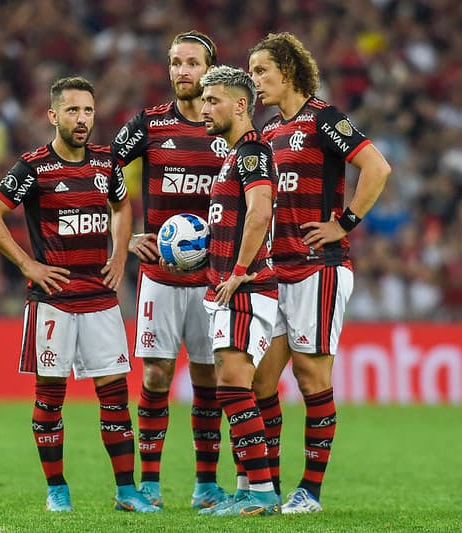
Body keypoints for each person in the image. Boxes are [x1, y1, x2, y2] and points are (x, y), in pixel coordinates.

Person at [0, 76, 159, 514]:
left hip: (100, 299)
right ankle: (57, 488)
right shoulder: (34, 167)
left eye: (88, 111)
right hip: (53, 301)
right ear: (53, 116)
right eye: (73, 111)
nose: (82, 119)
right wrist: (27, 264)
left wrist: (119, 253)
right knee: (49, 399)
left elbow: (121, 204)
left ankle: (127, 491)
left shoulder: (106, 163)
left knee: (115, 398)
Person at [247, 32, 392, 513]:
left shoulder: (324, 119)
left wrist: (343, 223)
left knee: (311, 378)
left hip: (318, 268)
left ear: (287, 71)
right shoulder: (268, 131)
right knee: (261, 383)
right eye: (251, 73)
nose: (256, 81)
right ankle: (263, 486)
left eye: (262, 71)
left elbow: (377, 168)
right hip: (276, 272)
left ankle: (309, 491)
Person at [111, 30, 230, 509]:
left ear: (210, 69)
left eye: (192, 63)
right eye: (175, 63)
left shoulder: (229, 130)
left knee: (208, 381)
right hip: (159, 279)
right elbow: (101, 171)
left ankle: (205, 485)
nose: (182, 71)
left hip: (211, 281)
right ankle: (151, 485)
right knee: (156, 377)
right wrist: (123, 236)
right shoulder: (150, 124)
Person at [197, 65, 280, 516]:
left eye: (213, 100)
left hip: (244, 287)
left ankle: (262, 493)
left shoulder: (251, 152)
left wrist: (239, 269)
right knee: (234, 385)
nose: (204, 108)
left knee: (232, 383)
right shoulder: (233, 155)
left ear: (241, 105)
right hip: (229, 287)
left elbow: (260, 210)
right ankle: (248, 488)